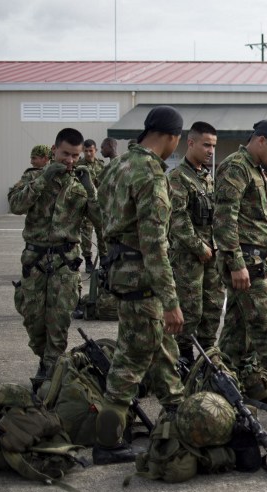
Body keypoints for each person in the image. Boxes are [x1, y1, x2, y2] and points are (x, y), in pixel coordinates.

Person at [93, 106, 186, 464]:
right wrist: (171, 299)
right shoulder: (150, 173)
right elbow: (154, 243)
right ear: (172, 137)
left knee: (160, 351)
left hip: (121, 270)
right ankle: (108, 442)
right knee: (131, 359)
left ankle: (179, 417)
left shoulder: (117, 166)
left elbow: (102, 219)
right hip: (143, 279)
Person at [214, 119, 267, 415]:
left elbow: (259, 223)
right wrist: (237, 264)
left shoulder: (256, 170)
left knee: (237, 331)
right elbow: (224, 219)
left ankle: (218, 385)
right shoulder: (236, 167)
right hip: (244, 262)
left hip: (255, 261)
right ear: (260, 140)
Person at [8, 131, 101, 388]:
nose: (70, 160)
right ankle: (45, 359)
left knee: (58, 322)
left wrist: (91, 191)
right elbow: (15, 204)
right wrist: (43, 179)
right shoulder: (33, 177)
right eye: (65, 154)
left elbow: (103, 222)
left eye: (75, 155)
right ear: (54, 150)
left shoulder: (80, 185)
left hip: (64, 262)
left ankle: (50, 371)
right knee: (34, 321)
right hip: (35, 261)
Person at [167, 121, 225, 361]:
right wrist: (197, 246)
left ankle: (207, 354)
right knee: (190, 309)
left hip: (211, 253)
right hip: (188, 256)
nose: (210, 150)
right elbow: (177, 217)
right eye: (206, 145)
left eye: (213, 146)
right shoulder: (178, 177)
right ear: (190, 143)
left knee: (212, 305)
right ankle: (184, 356)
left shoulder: (206, 177)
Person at [76, 139, 106, 272]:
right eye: (86, 151)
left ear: (96, 150)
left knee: (102, 233)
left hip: (99, 206)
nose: (88, 153)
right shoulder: (78, 165)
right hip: (85, 206)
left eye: (91, 151)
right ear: (83, 150)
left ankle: (104, 260)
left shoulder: (101, 165)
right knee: (86, 234)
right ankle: (88, 261)